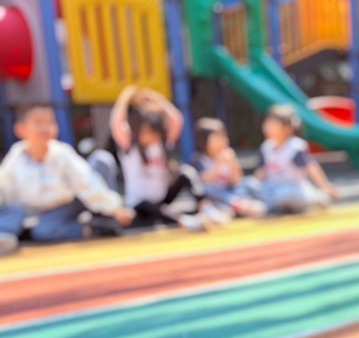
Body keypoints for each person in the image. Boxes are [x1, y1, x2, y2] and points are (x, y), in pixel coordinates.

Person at [0, 103, 133, 255]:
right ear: (20, 129)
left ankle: (101, 222)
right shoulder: (15, 157)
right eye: (38, 122)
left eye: (50, 122)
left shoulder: (61, 153)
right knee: (42, 230)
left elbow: (86, 181)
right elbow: (4, 187)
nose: (45, 127)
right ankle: (87, 229)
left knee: (101, 161)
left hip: (68, 203)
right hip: (39, 213)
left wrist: (115, 208)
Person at [109, 86, 227, 231]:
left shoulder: (161, 144)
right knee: (146, 204)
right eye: (147, 131)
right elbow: (116, 122)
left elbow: (176, 118)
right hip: (140, 207)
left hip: (163, 198)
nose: (151, 136)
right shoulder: (129, 145)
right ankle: (186, 221)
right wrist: (126, 96)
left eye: (154, 132)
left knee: (186, 172)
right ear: (138, 128)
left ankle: (207, 208)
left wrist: (154, 98)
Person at [252, 104, 339, 213]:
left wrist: (325, 186)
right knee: (252, 187)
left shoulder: (294, 147)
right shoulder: (266, 147)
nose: (268, 127)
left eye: (274, 124)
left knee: (284, 196)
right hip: (273, 187)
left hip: (293, 188)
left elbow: (310, 167)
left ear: (287, 128)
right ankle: (279, 207)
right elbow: (262, 170)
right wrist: (253, 184)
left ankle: (317, 198)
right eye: (268, 123)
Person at [190, 118, 266, 218]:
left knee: (250, 182)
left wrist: (233, 162)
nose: (221, 140)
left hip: (232, 191)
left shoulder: (228, 154)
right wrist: (218, 163)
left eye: (223, 136)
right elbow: (202, 180)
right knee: (207, 188)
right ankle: (238, 206)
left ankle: (264, 203)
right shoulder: (199, 159)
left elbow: (236, 181)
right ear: (204, 141)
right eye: (216, 138)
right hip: (216, 196)